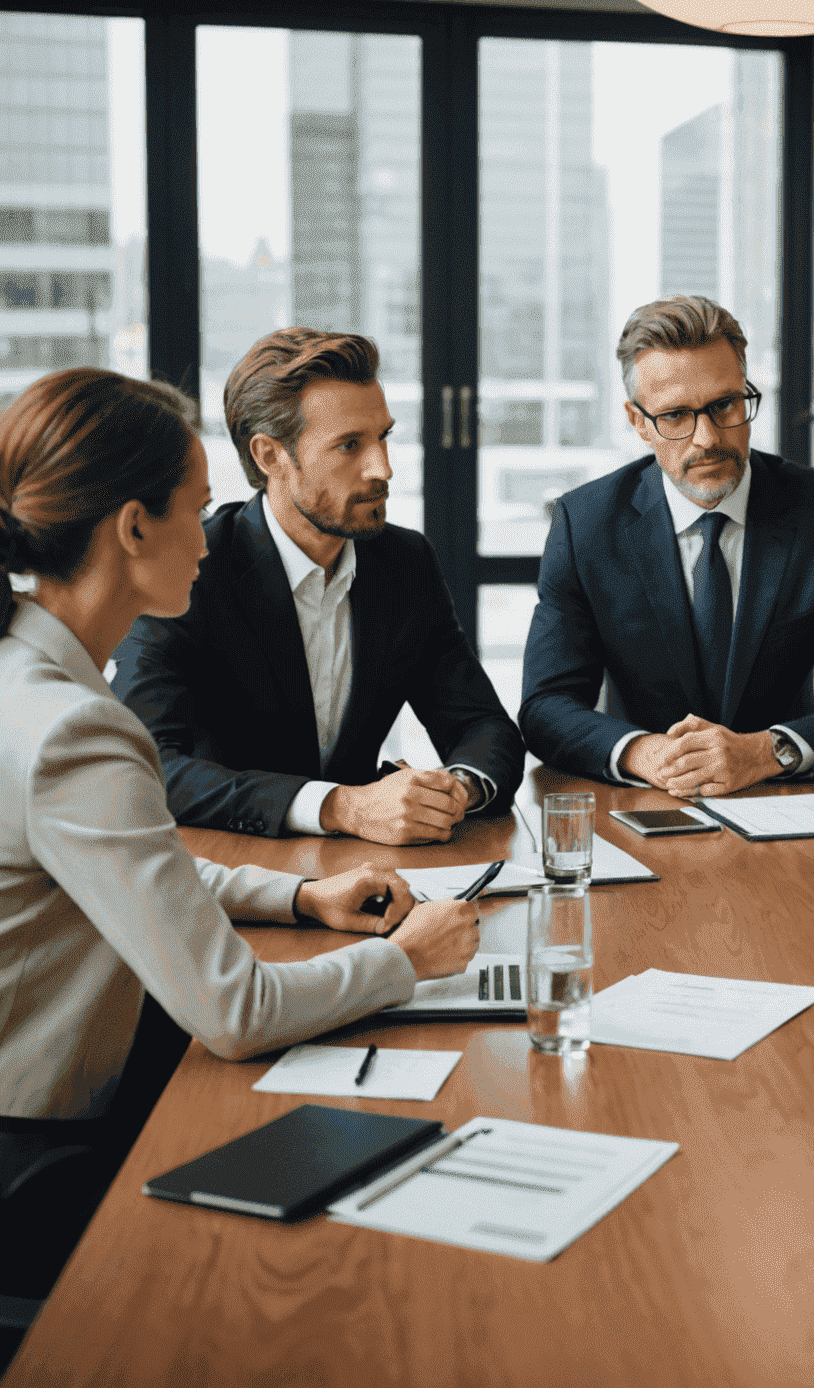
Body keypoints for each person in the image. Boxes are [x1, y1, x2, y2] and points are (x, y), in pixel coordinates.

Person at [0, 368, 478, 1195]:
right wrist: (407, 960)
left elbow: (130, 864)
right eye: (195, 507)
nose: (210, 536)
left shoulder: (27, 677)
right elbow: (239, 1013)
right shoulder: (78, 732)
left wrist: (298, 899)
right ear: (134, 529)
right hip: (40, 1149)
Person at [111, 329, 524, 845]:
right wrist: (338, 805)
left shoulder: (404, 562)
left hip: (366, 877)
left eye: (384, 437)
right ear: (270, 456)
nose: (383, 469)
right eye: (350, 446)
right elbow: (150, 769)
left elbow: (484, 727)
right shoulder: (191, 570)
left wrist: (453, 792)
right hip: (231, 875)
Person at [519, 295, 814, 794]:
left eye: (724, 405)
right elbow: (546, 705)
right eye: (676, 415)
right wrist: (645, 752)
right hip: (647, 799)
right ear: (638, 421)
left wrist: (765, 752)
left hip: (783, 794)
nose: (707, 439)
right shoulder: (585, 525)